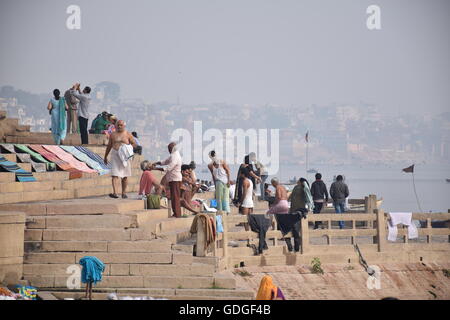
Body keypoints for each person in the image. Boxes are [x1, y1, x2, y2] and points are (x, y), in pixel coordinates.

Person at [104, 120, 137, 199]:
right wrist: (105, 156)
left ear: (124, 126)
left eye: (121, 125)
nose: (119, 126)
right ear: (115, 126)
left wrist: (127, 148)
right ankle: (115, 193)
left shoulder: (128, 134)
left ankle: (123, 193)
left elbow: (134, 144)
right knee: (114, 174)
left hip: (124, 156)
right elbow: (109, 146)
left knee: (125, 175)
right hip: (115, 155)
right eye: (118, 125)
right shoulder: (112, 135)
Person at [156, 142, 182, 218]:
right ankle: (176, 213)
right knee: (174, 196)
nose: (168, 150)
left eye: (169, 148)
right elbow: (165, 161)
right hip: (173, 179)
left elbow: (168, 168)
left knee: (175, 197)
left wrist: (155, 168)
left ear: (172, 148)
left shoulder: (175, 156)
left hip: (175, 179)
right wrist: (156, 163)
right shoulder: (173, 155)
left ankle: (177, 214)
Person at [284, 178, 309, 252]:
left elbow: (289, 198)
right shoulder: (304, 189)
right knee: (296, 230)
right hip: (301, 211)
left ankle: (292, 247)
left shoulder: (296, 188)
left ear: (300, 182)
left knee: (290, 230)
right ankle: (296, 248)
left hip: (293, 211)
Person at [207, 150, 231, 215]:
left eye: (214, 155)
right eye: (212, 155)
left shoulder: (222, 162)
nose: (213, 156)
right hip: (218, 182)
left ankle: (226, 211)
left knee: (226, 197)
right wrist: (214, 184)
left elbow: (228, 171)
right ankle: (220, 211)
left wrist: (229, 181)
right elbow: (213, 175)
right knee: (219, 198)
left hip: (225, 181)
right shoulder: (210, 165)